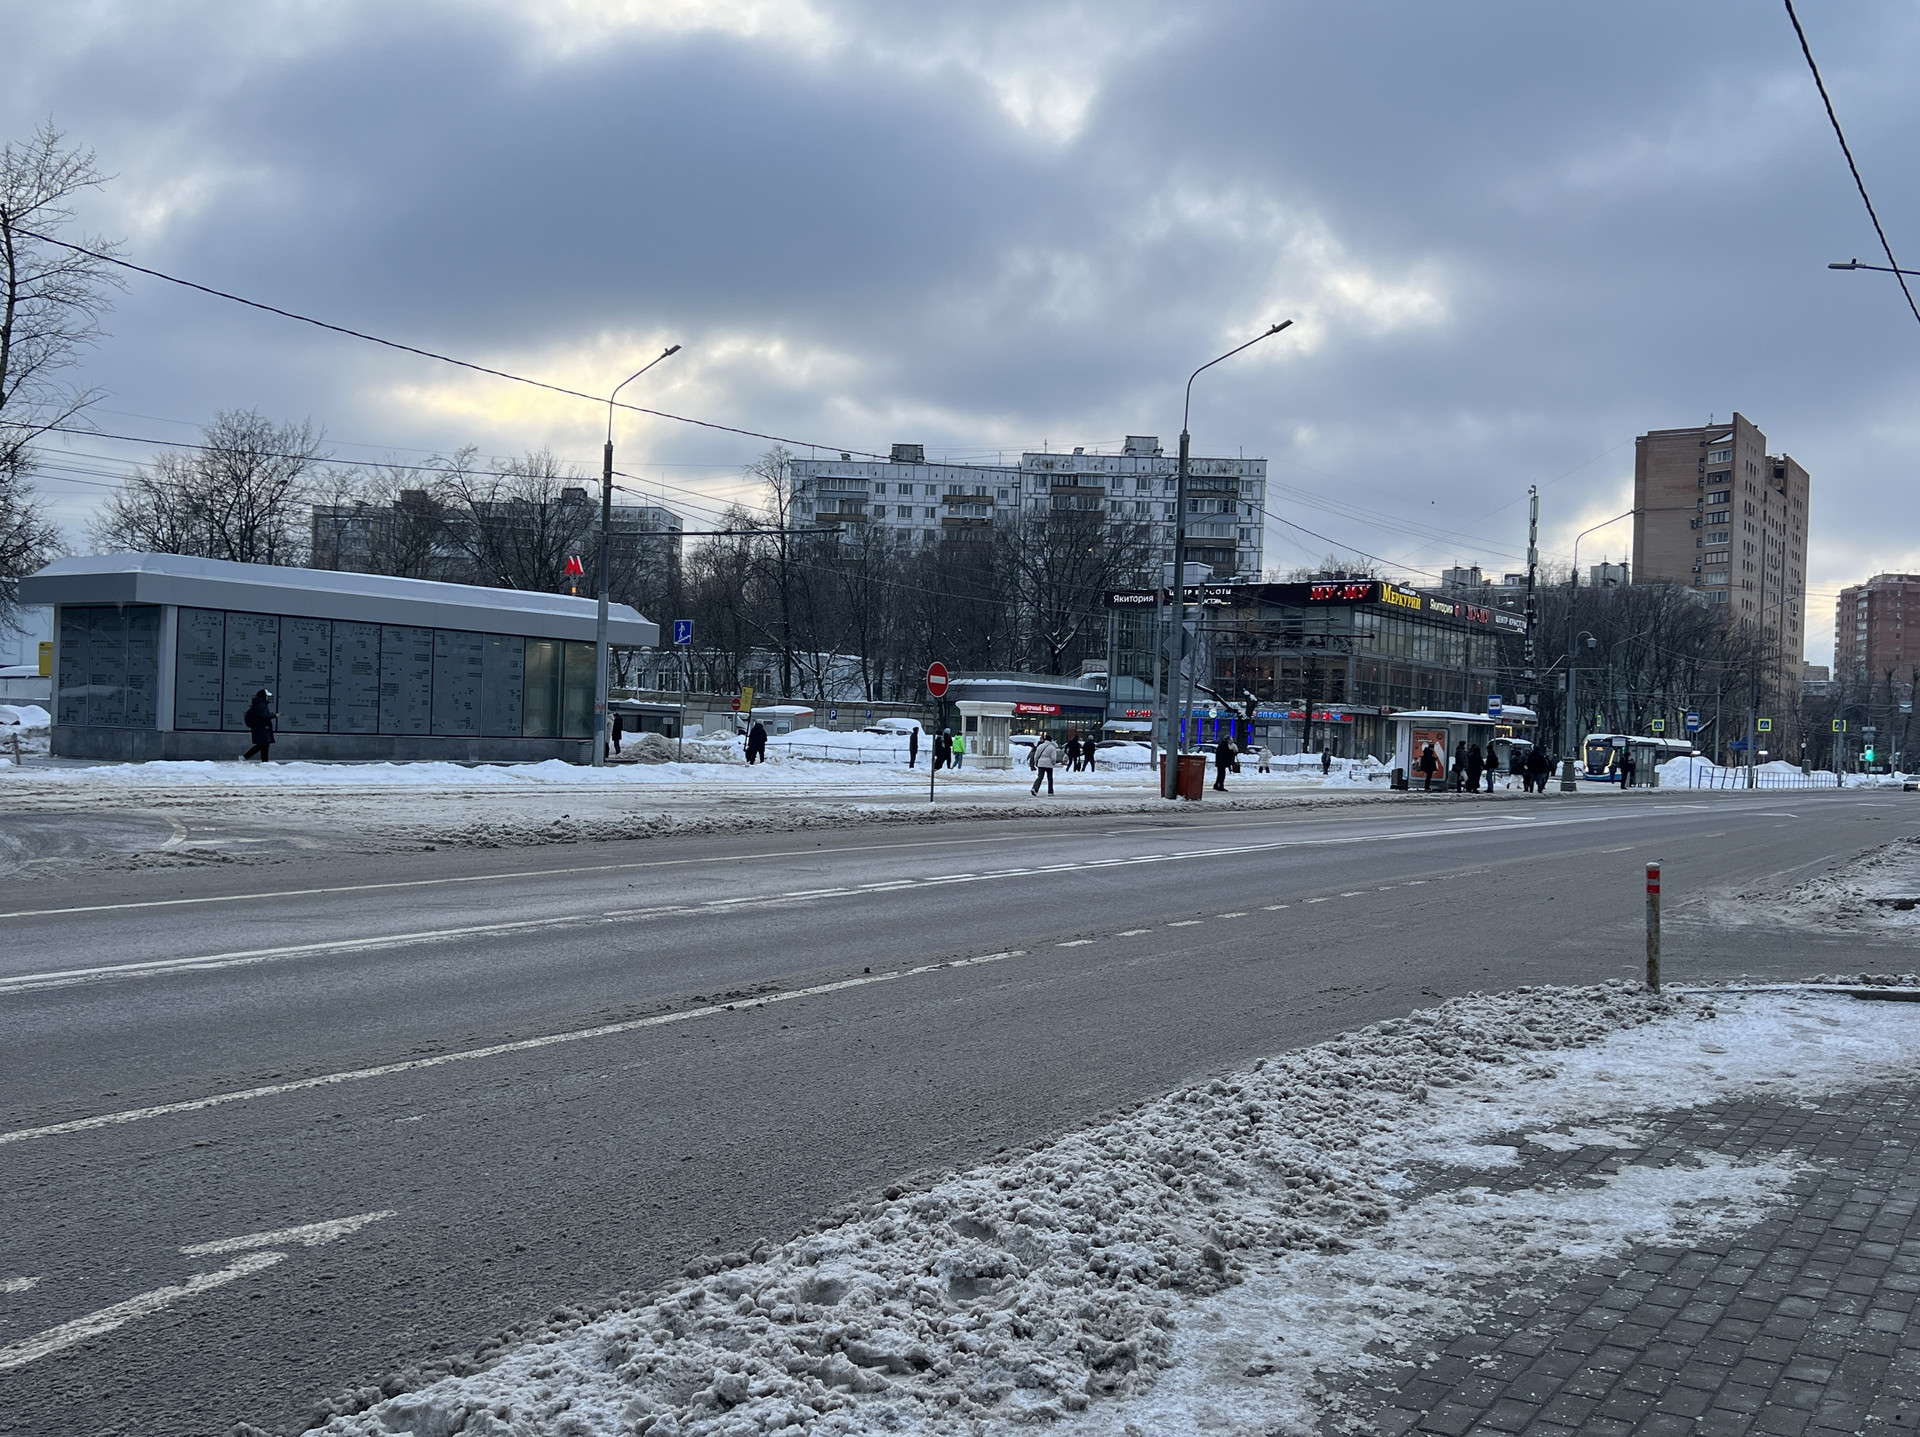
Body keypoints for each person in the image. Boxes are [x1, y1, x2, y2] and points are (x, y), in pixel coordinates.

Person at [241, 689, 276, 761]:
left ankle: (264, 761)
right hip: (262, 728)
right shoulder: (261, 705)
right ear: (263, 696)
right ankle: (245, 757)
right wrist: (274, 715)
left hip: (260, 728)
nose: (268, 697)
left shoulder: (258, 704)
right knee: (262, 745)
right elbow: (264, 716)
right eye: (267, 696)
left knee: (263, 745)